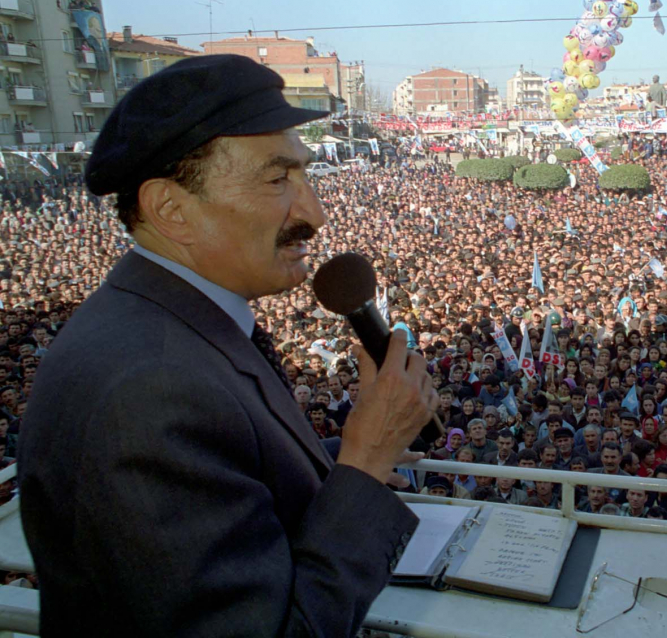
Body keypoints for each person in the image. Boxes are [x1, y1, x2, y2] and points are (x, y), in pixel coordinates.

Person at [17, 56, 437, 637]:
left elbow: (233, 467)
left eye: (305, 176)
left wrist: (359, 445)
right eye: (276, 179)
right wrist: (364, 465)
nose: (314, 213)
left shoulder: (166, 325)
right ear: (171, 209)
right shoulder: (150, 386)